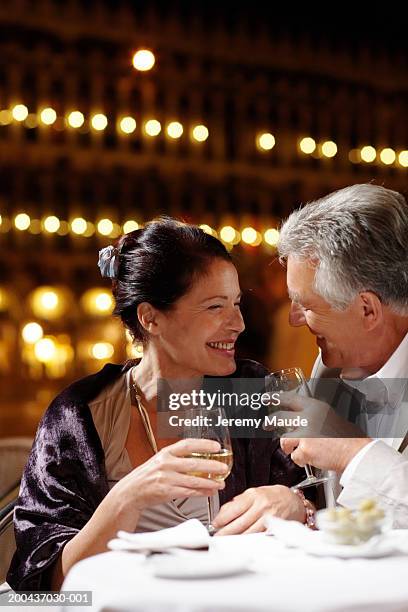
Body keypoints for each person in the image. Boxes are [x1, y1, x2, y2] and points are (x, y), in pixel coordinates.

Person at [7, 217, 306, 592]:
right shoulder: (80, 415)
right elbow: (44, 586)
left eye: (237, 304)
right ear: (150, 318)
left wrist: (294, 504)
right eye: (215, 307)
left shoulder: (250, 391)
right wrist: (128, 496)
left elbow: (335, 488)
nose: (238, 323)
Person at [274, 183, 408, 521]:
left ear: (367, 310)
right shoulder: (332, 366)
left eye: (306, 305)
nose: (292, 319)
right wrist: (300, 507)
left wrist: (352, 451)